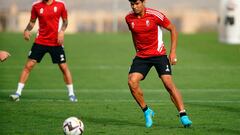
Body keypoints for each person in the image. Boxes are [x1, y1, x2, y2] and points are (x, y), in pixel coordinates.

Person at [125, 0, 192, 128]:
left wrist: (172, 52)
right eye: (132, 4)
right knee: (132, 82)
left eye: (137, 3)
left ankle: (183, 115)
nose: (134, 6)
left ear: (144, 2)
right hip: (142, 56)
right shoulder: (128, 18)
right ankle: (147, 111)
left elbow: (172, 29)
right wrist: (137, 51)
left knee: (168, 84)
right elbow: (134, 34)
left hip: (159, 54)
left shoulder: (155, 15)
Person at [10, 0, 77, 102]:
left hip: (56, 42)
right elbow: (32, 22)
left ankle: (71, 94)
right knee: (29, 65)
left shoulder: (60, 4)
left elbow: (65, 21)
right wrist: (27, 30)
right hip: (40, 41)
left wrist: (62, 31)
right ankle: (17, 93)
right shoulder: (36, 5)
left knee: (63, 67)